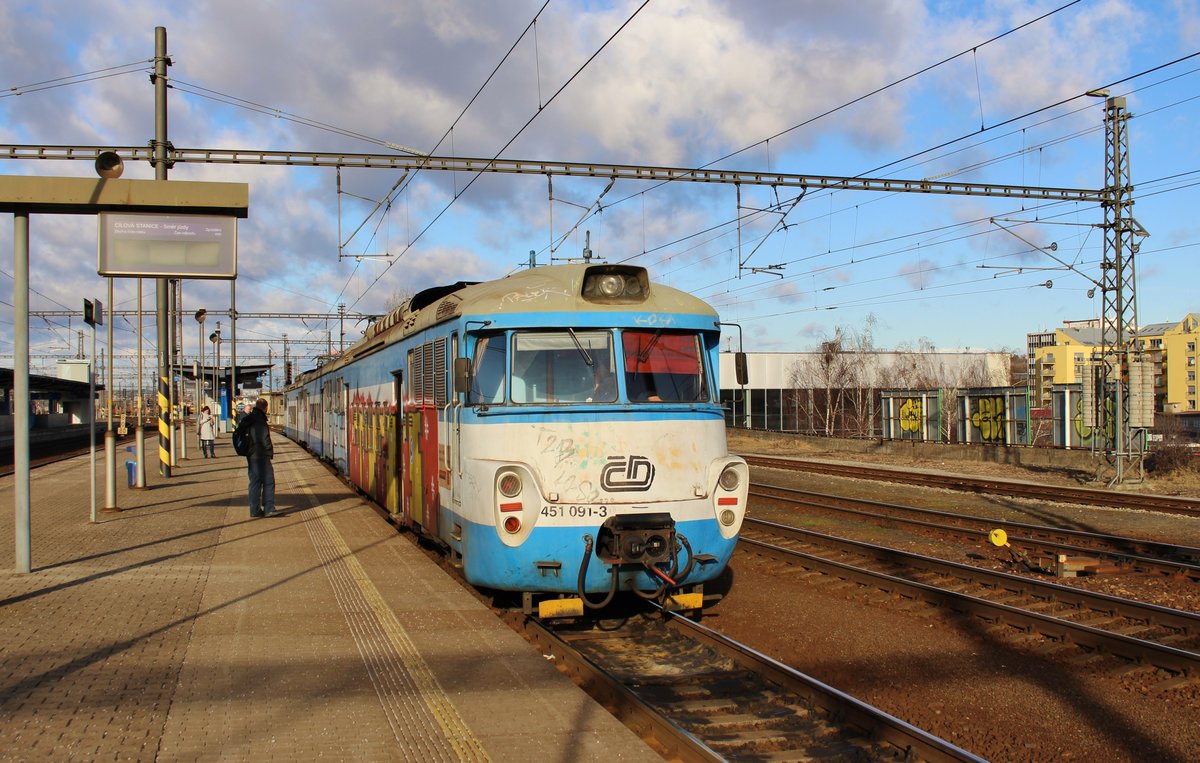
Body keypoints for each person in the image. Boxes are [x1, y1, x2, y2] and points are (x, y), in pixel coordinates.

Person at [240, 398, 276, 518]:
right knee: (269, 481)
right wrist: (269, 451)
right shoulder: (260, 419)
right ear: (265, 408)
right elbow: (264, 439)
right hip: (261, 455)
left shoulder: (250, 417)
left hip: (251, 454)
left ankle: (254, 510)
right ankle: (269, 508)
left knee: (254, 482)